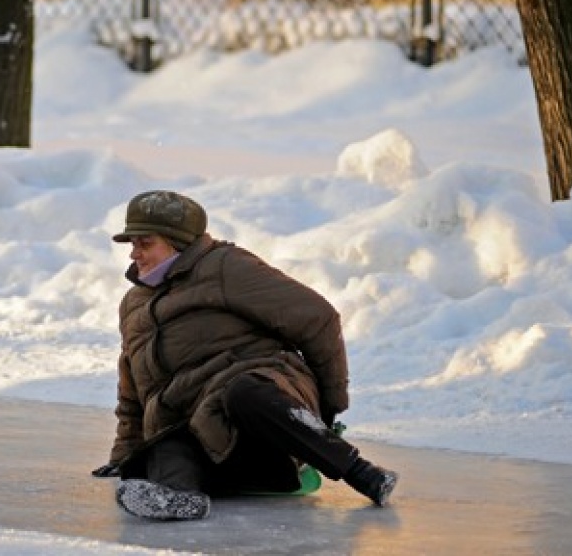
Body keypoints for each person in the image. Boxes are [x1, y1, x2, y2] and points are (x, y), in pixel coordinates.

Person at [94, 190, 398, 520]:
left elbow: (317, 317)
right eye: (131, 244)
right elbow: (133, 385)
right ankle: (179, 499)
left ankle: (362, 472)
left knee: (244, 392)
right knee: (160, 448)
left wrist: (327, 408)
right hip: (213, 434)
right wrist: (122, 453)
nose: (134, 254)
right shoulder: (133, 304)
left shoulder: (225, 267)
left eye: (145, 243)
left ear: (176, 241)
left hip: (263, 408)